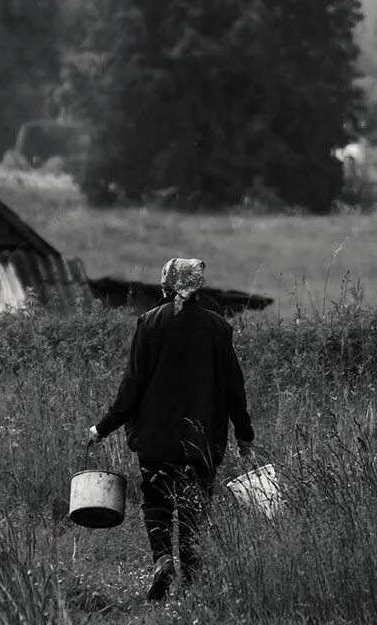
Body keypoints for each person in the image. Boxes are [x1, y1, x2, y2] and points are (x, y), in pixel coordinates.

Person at [86, 257, 254, 601]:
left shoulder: (149, 324)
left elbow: (131, 387)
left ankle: (163, 558)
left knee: (157, 502)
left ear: (166, 285)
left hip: (156, 439)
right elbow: (234, 389)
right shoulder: (219, 329)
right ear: (198, 286)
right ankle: (191, 582)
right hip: (203, 442)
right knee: (194, 508)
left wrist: (104, 427)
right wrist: (244, 434)